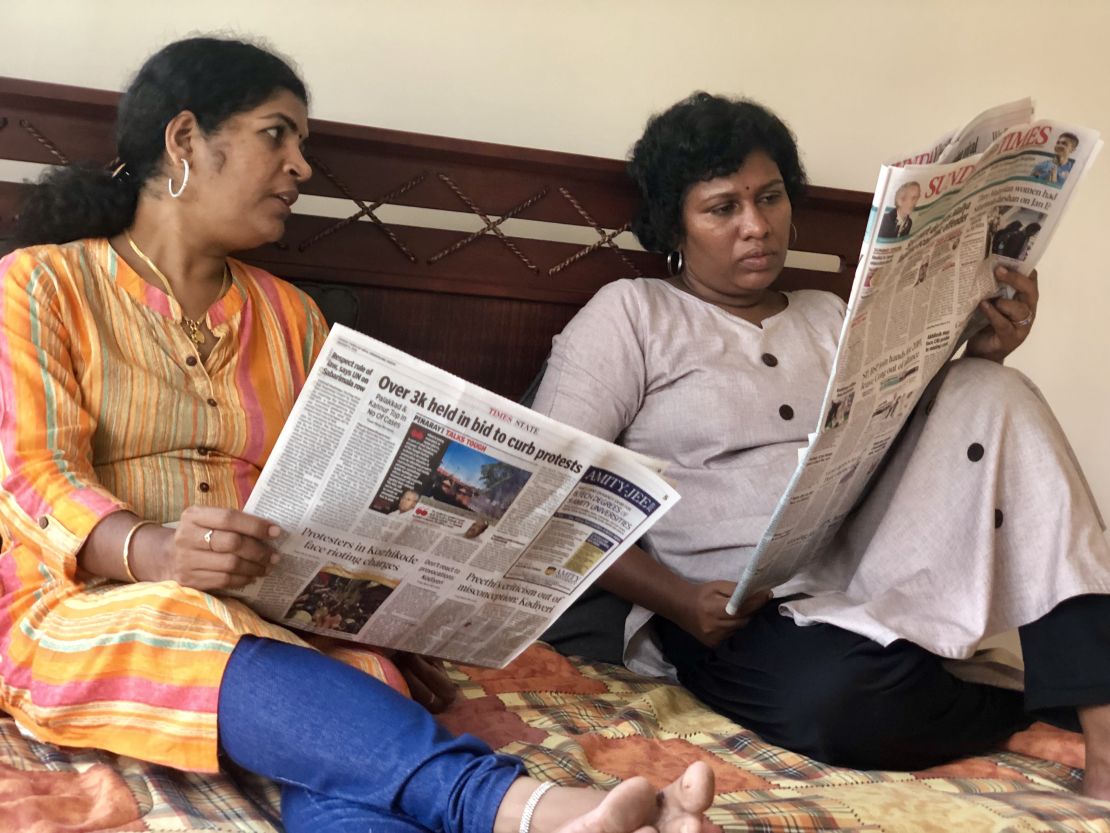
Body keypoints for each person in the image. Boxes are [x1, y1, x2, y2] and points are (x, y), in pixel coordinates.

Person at [0, 38, 716, 833]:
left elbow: (338, 494)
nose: (303, 166)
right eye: (279, 134)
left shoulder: (292, 316)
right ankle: (527, 807)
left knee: (363, 691)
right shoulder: (39, 283)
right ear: (185, 140)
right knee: (179, 623)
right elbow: (31, 475)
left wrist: (393, 616)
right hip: (91, 604)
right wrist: (158, 552)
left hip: (276, 615)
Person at [532, 91, 1110, 798]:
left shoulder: (831, 315)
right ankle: (1020, 711)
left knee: (994, 393)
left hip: (871, 573)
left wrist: (984, 354)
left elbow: (934, 456)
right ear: (672, 225)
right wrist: (679, 600)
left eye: (771, 198)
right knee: (839, 705)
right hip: (730, 612)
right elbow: (556, 485)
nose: (757, 226)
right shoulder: (632, 313)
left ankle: (1104, 738)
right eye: (723, 208)